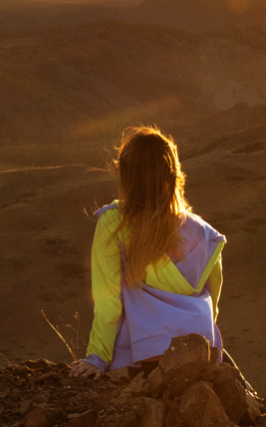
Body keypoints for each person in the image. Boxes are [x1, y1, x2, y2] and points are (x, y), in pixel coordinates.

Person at [69, 127, 226, 379]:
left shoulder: (114, 222)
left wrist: (97, 357)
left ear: (127, 175)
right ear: (173, 174)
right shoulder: (207, 234)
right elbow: (213, 303)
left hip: (148, 352)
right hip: (201, 348)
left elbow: (108, 301)